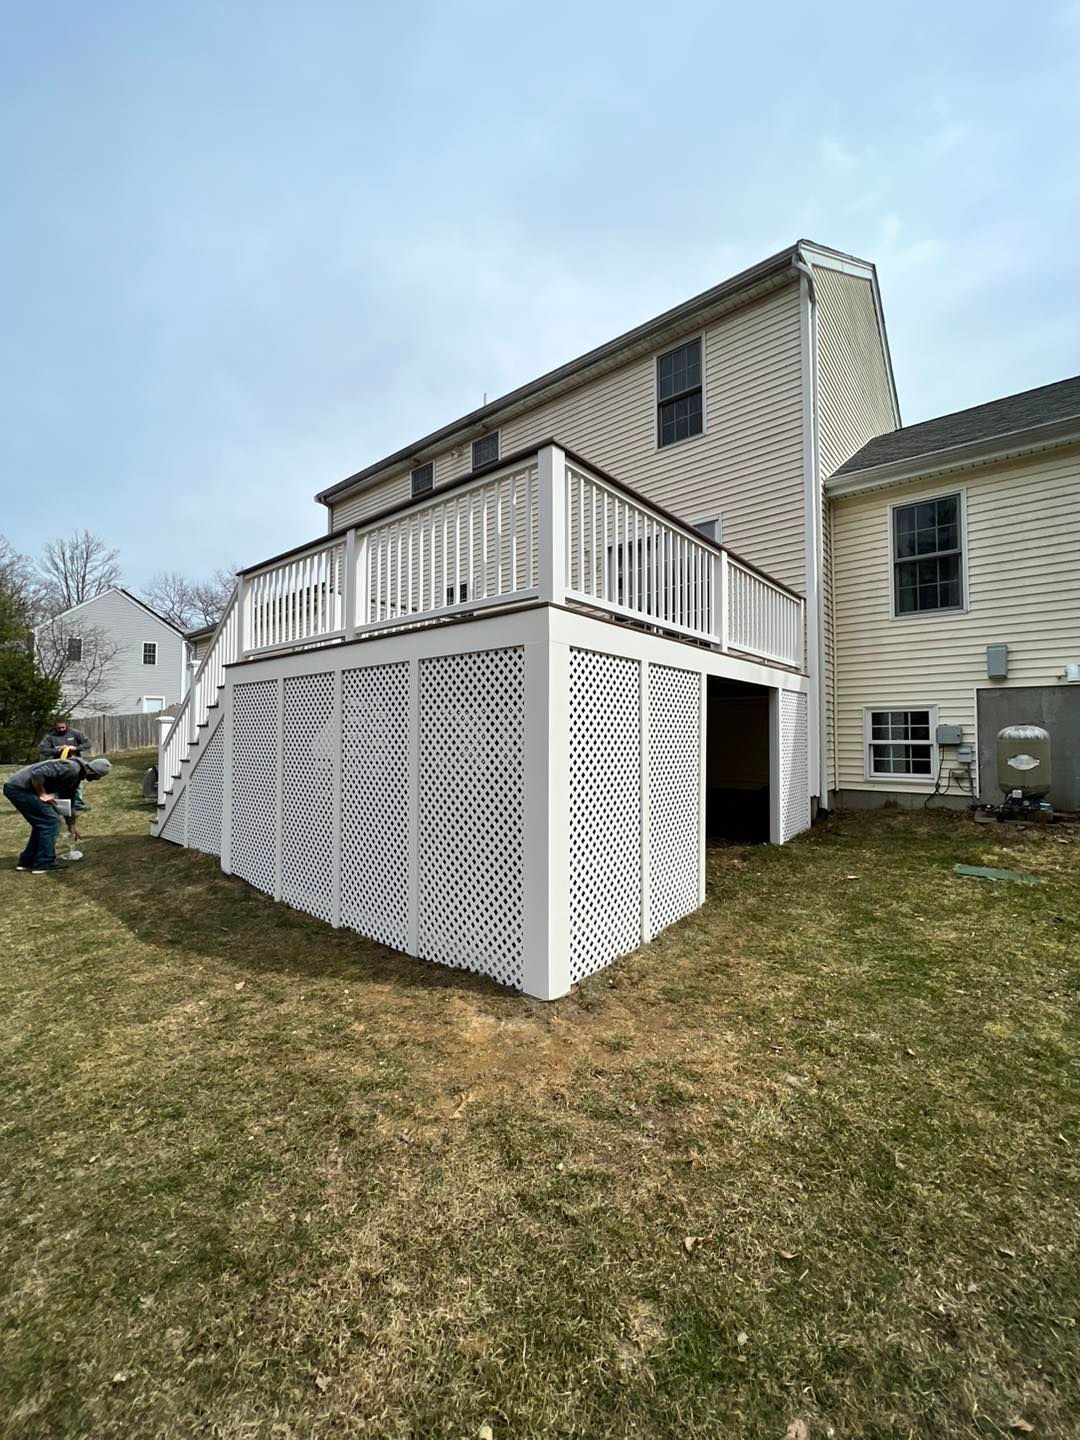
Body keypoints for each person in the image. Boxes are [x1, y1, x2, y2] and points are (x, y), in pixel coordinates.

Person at [3, 756, 112, 874]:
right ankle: (44, 863)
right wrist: (43, 794)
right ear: (92, 771)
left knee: (43, 824)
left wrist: (71, 825)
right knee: (51, 823)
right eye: (98, 776)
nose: (98, 779)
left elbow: (68, 800)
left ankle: (27, 861)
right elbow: (37, 774)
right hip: (19, 789)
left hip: (21, 789)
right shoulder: (70, 768)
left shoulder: (75, 775)